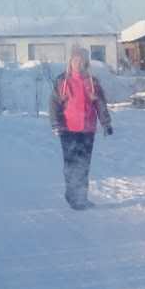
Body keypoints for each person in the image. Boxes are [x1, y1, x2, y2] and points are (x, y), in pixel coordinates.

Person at [48, 46, 112, 209]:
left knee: (83, 165)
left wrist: (106, 123)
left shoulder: (92, 81)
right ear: (70, 61)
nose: (78, 63)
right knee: (71, 164)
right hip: (68, 130)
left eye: (81, 60)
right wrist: (55, 123)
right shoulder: (62, 81)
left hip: (87, 130)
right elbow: (54, 104)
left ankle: (81, 197)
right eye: (75, 59)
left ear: (86, 62)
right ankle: (72, 196)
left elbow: (100, 103)